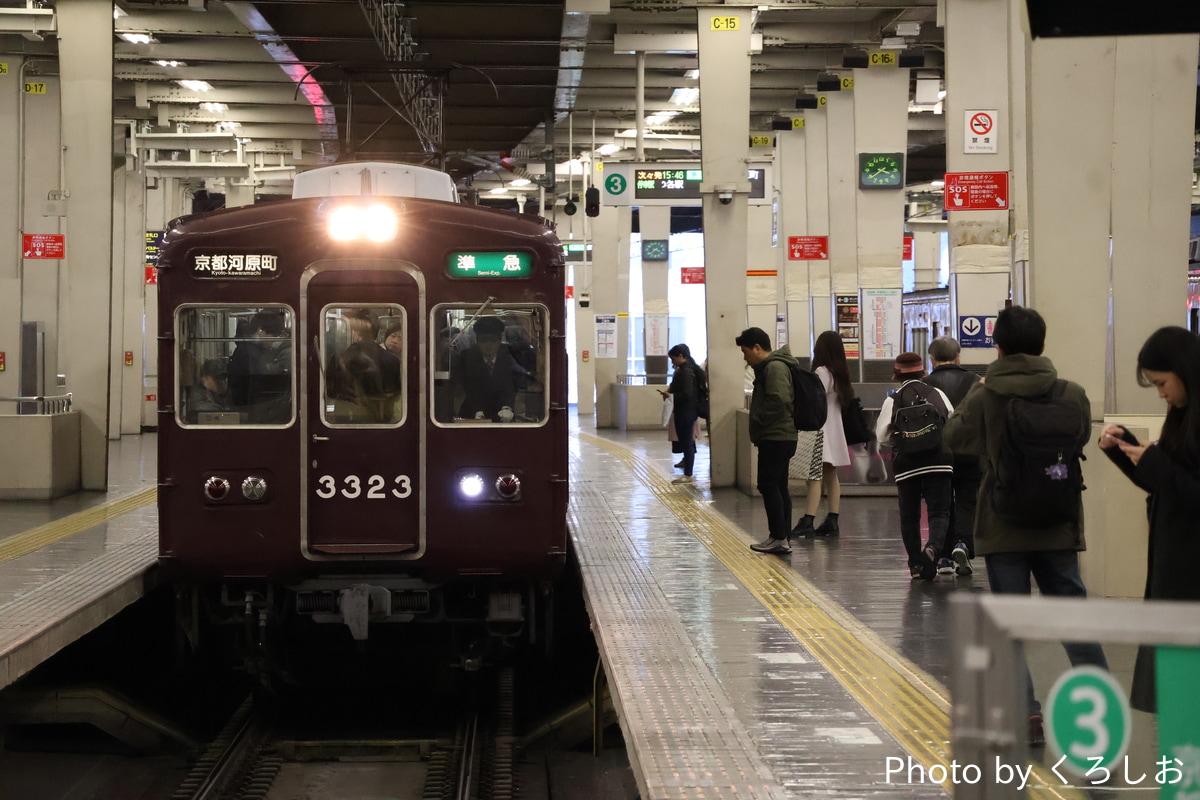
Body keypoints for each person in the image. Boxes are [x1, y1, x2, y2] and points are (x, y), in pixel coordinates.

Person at [942, 305, 1108, 746]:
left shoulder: (986, 394)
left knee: (1012, 626)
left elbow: (954, 438)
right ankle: (1100, 707)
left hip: (1004, 525)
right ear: (1043, 345)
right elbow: (1080, 438)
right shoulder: (1071, 393)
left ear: (998, 346)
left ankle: (1028, 715)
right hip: (1058, 521)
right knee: (1074, 617)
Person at [1099, 326, 1200, 714]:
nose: (1161, 394)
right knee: (1177, 698)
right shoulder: (1183, 414)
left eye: (1162, 383)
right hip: (1175, 568)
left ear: (1185, 370)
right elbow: (1170, 486)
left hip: (1191, 577)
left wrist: (1157, 464)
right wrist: (1125, 451)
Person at [875, 352, 955, 581]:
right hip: (938, 461)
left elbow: (882, 437)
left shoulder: (893, 399)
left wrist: (903, 441)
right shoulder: (936, 394)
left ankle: (915, 566)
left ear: (897, 373)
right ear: (923, 371)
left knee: (909, 515)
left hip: (907, 464)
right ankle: (932, 550)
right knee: (939, 511)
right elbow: (952, 420)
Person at [736, 327, 799, 555]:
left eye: (746, 352)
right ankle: (781, 536)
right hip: (779, 436)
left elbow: (779, 399)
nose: (745, 358)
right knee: (778, 486)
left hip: (776, 436)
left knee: (769, 485)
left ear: (757, 348)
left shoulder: (774, 367)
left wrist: (759, 419)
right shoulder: (774, 366)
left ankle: (779, 537)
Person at [922, 336, 982, 576]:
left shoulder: (923, 385)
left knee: (941, 504)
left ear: (931, 359)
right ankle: (963, 544)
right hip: (969, 452)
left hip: (937, 454)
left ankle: (944, 556)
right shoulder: (976, 382)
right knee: (967, 501)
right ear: (959, 357)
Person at [792, 330, 853, 537]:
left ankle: (808, 520)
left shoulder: (821, 372)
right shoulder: (841, 372)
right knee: (830, 476)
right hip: (835, 430)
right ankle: (832, 519)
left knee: (814, 477)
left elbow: (813, 398)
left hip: (820, 429)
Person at [327, 310, 402, 423]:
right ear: (376, 332)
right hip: (381, 421)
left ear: (354, 331)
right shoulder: (392, 361)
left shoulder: (339, 359)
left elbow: (331, 392)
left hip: (346, 420)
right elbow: (396, 393)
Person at [227, 309, 292, 423]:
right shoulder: (247, 352)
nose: (273, 341)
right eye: (273, 335)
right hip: (252, 409)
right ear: (260, 330)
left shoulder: (259, 350)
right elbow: (256, 383)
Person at [454, 315, 523, 422]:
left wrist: (507, 407)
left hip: (503, 415)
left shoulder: (510, 355)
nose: (488, 345)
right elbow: (462, 387)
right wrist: (476, 410)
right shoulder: (466, 357)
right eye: (483, 340)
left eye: (493, 340)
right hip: (471, 415)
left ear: (500, 341)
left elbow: (514, 384)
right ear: (477, 342)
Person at [657, 343, 706, 484]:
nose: (672, 362)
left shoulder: (686, 372)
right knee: (686, 442)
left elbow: (687, 394)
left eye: (673, 359)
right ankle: (688, 473)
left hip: (685, 411)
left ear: (680, 356)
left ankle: (688, 474)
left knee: (686, 442)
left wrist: (670, 396)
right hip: (686, 411)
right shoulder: (688, 369)